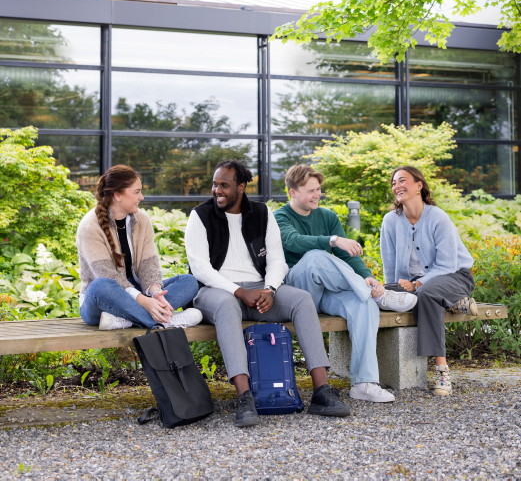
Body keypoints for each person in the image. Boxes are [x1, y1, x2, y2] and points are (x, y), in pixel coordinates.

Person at [184, 159, 351, 427]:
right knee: (228, 306)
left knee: (301, 299)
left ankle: (321, 391)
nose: (217, 190)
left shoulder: (262, 214)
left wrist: (270, 288)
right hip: (215, 291)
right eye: (215, 185)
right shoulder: (200, 216)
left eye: (224, 185)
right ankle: (244, 396)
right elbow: (200, 268)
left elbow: (277, 260)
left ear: (241, 186)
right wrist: (238, 291)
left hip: (259, 289)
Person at [274, 165, 417, 403]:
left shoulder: (327, 216)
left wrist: (367, 276)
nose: (317, 195)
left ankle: (364, 383)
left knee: (364, 306)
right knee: (315, 256)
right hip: (298, 294)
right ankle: (376, 295)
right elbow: (294, 241)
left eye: (318, 189)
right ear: (292, 192)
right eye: (310, 191)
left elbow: (347, 257)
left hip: (327, 293)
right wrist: (332, 240)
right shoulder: (279, 217)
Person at [380, 165, 477, 396]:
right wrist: (393, 292)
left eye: (402, 180)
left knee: (426, 293)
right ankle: (455, 302)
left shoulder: (438, 218)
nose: (397, 186)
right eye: (394, 183)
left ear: (419, 185)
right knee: (381, 292)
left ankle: (441, 369)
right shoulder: (391, 221)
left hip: (455, 275)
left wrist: (415, 286)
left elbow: (446, 265)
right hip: (414, 284)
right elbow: (390, 267)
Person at [77, 164, 202, 331]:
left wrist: (154, 291)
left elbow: (147, 264)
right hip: (101, 302)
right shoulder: (90, 226)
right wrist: (143, 301)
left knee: (189, 281)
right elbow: (107, 275)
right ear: (117, 195)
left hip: (138, 293)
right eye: (136, 192)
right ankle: (165, 321)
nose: (141, 197)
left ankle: (125, 320)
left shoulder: (141, 219)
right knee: (102, 285)